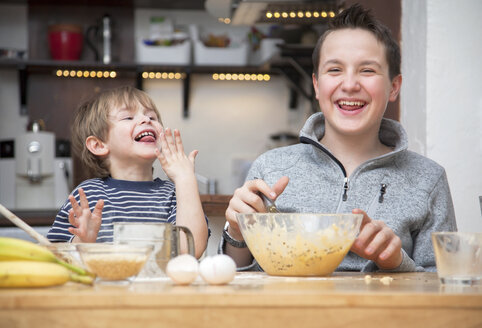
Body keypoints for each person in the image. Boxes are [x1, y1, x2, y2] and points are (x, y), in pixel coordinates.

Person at [221, 4, 457, 272]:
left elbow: (445, 288)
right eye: (335, 70)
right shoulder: (269, 169)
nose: (349, 84)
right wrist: (237, 233)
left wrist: (398, 262)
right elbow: (239, 279)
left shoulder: (429, 179)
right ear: (317, 86)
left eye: (367, 70)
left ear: (394, 87)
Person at [47, 86, 208, 258]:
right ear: (98, 145)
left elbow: (190, 251)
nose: (146, 120)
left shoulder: (175, 194)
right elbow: (54, 254)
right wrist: (81, 242)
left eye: (152, 116)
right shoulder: (88, 195)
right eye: (128, 117)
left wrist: (185, 178)